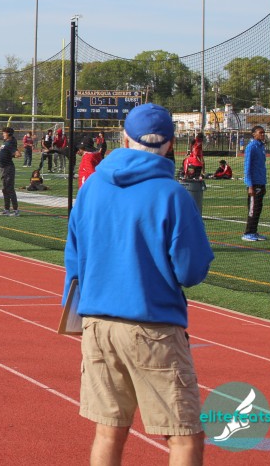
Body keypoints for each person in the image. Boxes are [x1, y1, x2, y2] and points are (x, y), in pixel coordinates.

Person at [63, 103, 212, 466]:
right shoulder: (172, 195)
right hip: (153, 325)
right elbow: (191, 271)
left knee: (109, 431)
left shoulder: (92, 188)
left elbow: (74, 262)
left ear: (124, 139)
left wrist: (75, 317)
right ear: (170, 144)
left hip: (98, 324)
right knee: (184, 437)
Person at [242, 125, 267, 242]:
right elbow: (247, 167)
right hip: (254, 184)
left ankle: (254, 231)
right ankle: (248, 233)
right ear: (254, 134)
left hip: (261, 182)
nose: (263, 134)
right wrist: (250, 185)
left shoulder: (261, 146)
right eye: (260, 132)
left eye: (263, 132)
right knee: (253, 209)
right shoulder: (251, 147)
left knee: (258, 209)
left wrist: (264, 183)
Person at [0, 126, 21, 216]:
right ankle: (6, 209)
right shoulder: (6, 142)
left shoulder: (10, 143)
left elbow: (18, 154)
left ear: (9, 134)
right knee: (5, 189)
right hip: (3, 168)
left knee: (9, 189)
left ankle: (16, 210)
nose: (3, 134)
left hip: (8, 168)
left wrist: (13, 155)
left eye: (4, 133)